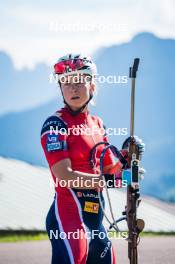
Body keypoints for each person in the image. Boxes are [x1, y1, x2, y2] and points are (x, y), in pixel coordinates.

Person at [40, 54, 145, 264]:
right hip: (68, 217)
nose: (73, 88)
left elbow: (110, 171)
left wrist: (128, 161)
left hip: (95, 216)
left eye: (79, 81)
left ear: (92, 86)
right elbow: (64, 176)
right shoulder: (55, 124)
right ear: (61, 88)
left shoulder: (98, 124)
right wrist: (108, 180)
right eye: (66, 83)